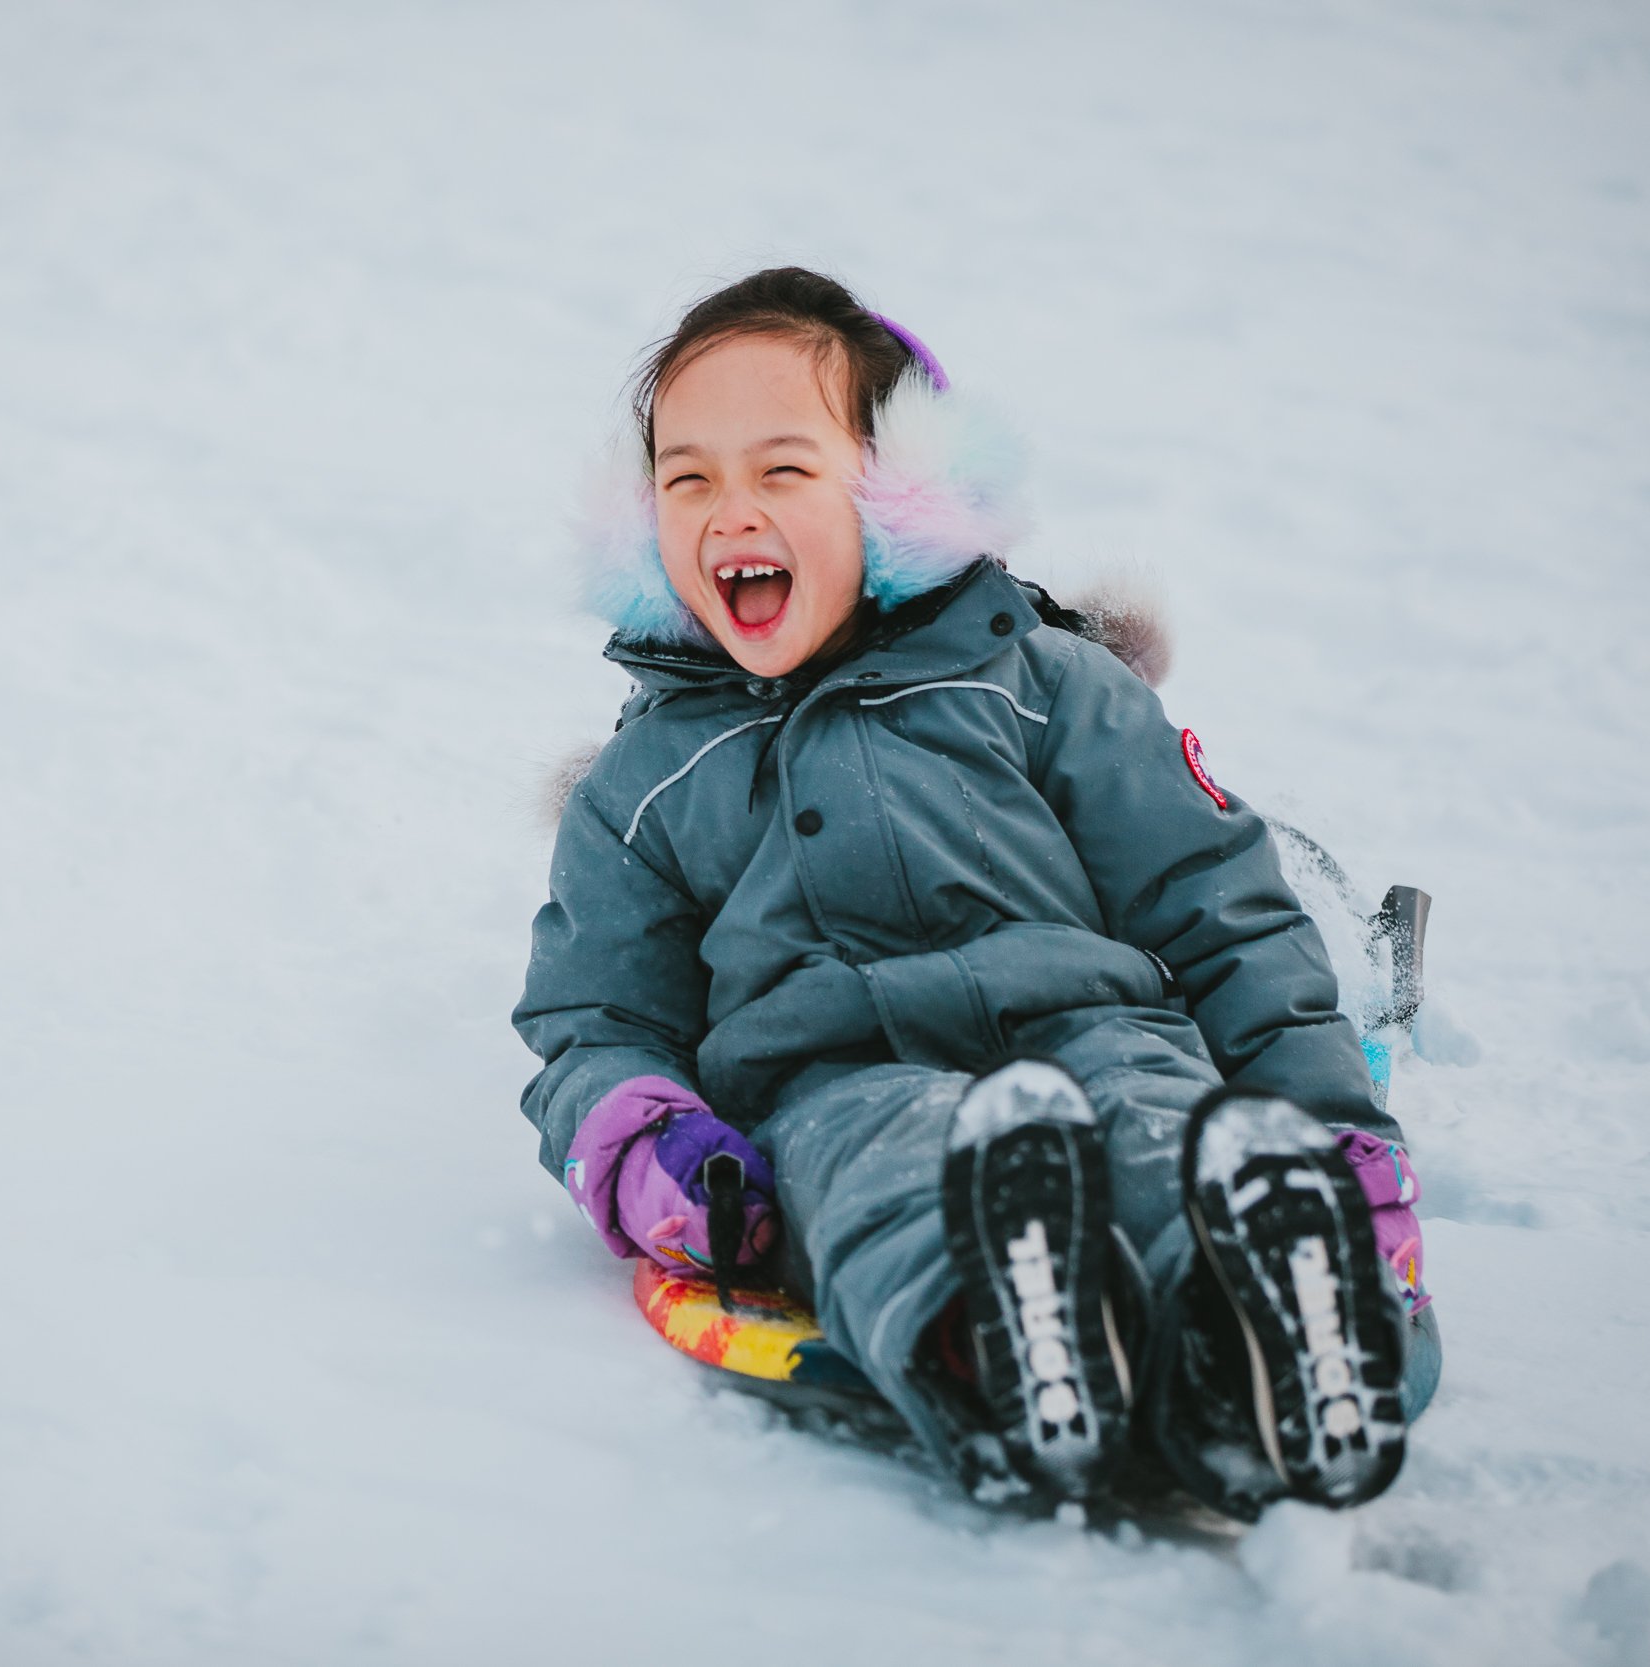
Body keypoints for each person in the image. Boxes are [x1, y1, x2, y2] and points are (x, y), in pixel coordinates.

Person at [513, 267, 1440, 1519]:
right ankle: (997, 1339)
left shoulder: (1040, 682)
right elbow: (592, 1019)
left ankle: (1253, 1337)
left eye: (783, 469)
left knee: (1166, 1132)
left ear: (899, 499)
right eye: (688, 478)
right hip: (836, 1077)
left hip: (1103, 1026)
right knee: (895, 1172)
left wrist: (1328, 1124)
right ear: (641, 527)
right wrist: (648, 1147)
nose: (731, 508)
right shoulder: (644, 782)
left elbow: (1216, 905)